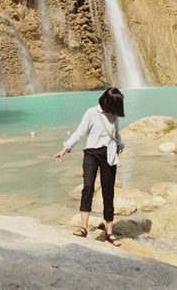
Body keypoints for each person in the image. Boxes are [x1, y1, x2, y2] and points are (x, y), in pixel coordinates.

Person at [54, 86, 125, 246]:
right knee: (87, 187)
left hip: (109, 154)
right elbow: (79, 132)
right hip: (91, 154)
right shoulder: (91, 113)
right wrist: (65, 149)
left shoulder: (114, 115)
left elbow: (116, 133)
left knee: (108, 192)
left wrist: (120, 144)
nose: (117, 110)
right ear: (108, 102)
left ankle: (109, 232)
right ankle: (83, 228)